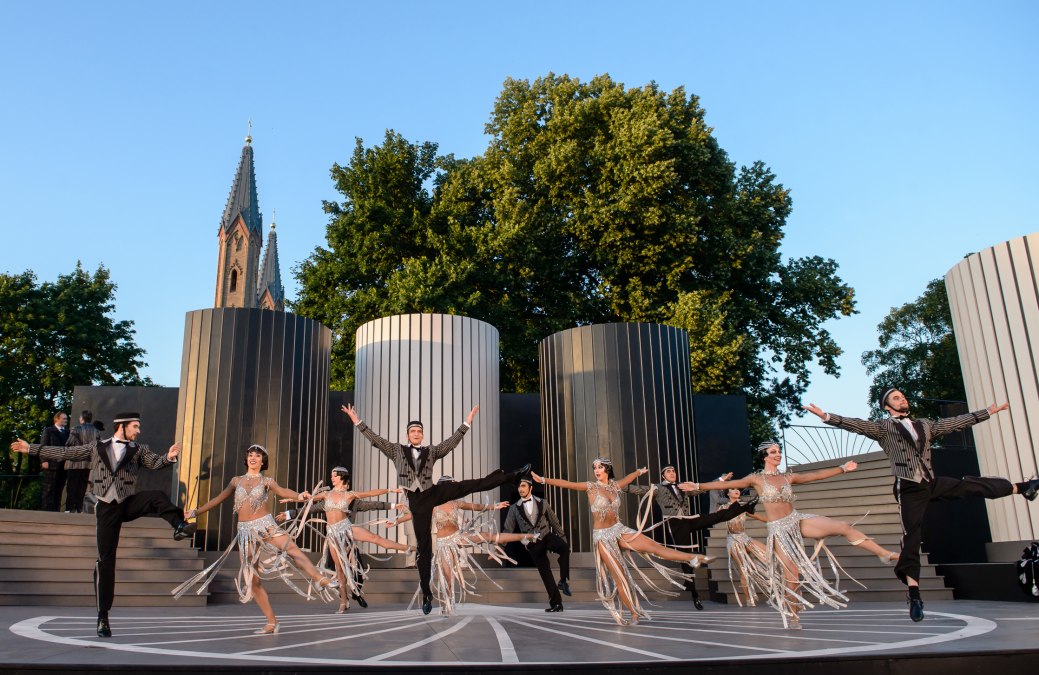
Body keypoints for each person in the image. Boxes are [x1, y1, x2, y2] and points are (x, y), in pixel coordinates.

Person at [805, 389, 1039, 622]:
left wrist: (987, 412)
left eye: (902, 396)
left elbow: (954, 423)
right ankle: (914, 594)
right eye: (896, 398)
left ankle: (1022, 487)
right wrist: (826, 416)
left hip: (930, 482)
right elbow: (855, 425)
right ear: (887, 406)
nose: (902, 399)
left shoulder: (924, 425)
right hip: (908, 487)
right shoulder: (883, 428)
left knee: (968, 486)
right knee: (912, 536)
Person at [11, 412, 196, 638]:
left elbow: (155, 463)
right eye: (135, 426)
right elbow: (65, 452)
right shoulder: (96, 447)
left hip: (126, 502)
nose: (138, 431)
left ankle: (178, 525)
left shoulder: (139, 449)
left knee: (156, 496)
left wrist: (169, 456)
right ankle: (103, 617)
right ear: (122, 426)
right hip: (106, 508)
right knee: (106, 562)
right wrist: (32, 448)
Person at [683, 441, 899, 629]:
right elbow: (729, 484)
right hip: (779, 530)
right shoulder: (756, 479)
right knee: (792, 577)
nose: (778, 455)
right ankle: (794, 615)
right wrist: (698, 486)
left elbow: (815, 475)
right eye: (773, 452)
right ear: (764, 456)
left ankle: (883, 554)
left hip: (797, 519)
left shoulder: (788, 477)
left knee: (843, 526)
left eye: (779, 451)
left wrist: (842, 468)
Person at [342, 403, 531, 614]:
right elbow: (376, 439)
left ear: (422, 435)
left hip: (432, 492)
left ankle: (512, 476)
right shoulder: (396, 450)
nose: (416, 433)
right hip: (417, 501)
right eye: (413, 431)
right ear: (408, 435)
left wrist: (466, 423)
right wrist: (357, 422)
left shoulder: (431, 451)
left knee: (469, 485)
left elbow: (450, 444)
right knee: (424, 549)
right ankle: (427, 594)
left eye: (419, 431)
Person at [172, 444, 336, 634]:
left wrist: (300, 496)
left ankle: (319, 578)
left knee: (291, 549)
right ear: (247, 459)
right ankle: (271, 622)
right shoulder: (236, 481)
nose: (253, 458)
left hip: (265, 526)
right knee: (252, 579)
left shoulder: (267, 481)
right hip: (245, 533)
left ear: (263, 461)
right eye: (250, 455)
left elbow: (283, 491)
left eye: (257, 456)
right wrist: (194, 512)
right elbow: (218, 499)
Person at [531, 458, 710, 626]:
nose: (596, 470)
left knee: (653, 546)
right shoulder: (590, 487)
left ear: (607, 469)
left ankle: (692, 558)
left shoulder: (616, 486)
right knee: (621, 576)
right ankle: (633, 612)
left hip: (619, 529)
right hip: (602, 537)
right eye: (594, 467)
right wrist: (544, 480)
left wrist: (639, 472)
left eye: (600, 466)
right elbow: (567, 484)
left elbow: (628, 478)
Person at [390, 477, 537, 615]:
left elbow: (476, 506)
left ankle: (527, 536)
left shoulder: (456, 503)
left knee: (487, 536)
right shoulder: (432, 505)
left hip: (458, 537)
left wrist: (494, 506)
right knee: (447, 577)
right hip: (444, 544)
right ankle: (447, 604)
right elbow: (413, 514)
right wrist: (396, 521)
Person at [625, 466, 758, 610]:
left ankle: (744, 507)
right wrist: (618, 485)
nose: (672, 473)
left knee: (714, 517)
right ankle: (695, 594)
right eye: (668, 472)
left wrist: (720, 480)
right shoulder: (657, 488)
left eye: (674, 471)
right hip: (675, 522)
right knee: (687, 557)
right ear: (663, 475)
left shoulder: (683, 487)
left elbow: (701, 489)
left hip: (689, 520)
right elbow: (638, 490)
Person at [282, 466, 413, 613]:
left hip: (346, 528)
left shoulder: (350, 495)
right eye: (331, 475)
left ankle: (407, 548)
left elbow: (370, 495)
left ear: (342, 478)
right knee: (339, 569)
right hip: (332, 534)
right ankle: (344, 602)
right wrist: (291, 504)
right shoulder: (326, 494)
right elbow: (308, 502)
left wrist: (390, 492)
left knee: (375, 538)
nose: (332, 478)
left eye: (335, 475)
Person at [502, 477, 571, 612]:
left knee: (564, 548)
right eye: (519, 487)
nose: (520, 489)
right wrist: (500, 549)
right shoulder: (514, 508)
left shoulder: (542, 503)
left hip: (546, 536)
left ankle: (562, 581)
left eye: (523, 486)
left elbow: (554, 522)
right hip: (532, 543)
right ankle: (556, 604)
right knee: (545, 573)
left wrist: (563, 538)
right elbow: (507, 529)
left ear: (530, 488)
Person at [720, 486, 769, 607]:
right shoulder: (723, 508)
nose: (737, 490)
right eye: (732, 489)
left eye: (738, 489)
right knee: (744, 570)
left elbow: (758, 517)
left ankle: (777, 588)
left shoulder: (743, 507)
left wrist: (774, 521)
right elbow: (712, 519)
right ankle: (749, 599)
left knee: (768, 554)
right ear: (728, 493)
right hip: (733, 540)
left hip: (745, 537)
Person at [64, 410, 98, 513]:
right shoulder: (95, 431)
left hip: (74, 462)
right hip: (87, 463)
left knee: (71, 487)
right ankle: (79, 509)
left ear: (81, 418)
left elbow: (69, 443)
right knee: (82, 487)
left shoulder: (76, 429)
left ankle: (69, 509)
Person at [38, 411, 69, 511]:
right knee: (49, 490)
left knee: (59, 490)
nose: (66, 420)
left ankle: (56, 512)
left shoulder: (67, 432)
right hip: (51, 465)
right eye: (64, 418)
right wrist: (44, 460)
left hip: (63, 466)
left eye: (66, 418)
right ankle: (46, 513)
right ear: (57, 419)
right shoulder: (49, 430)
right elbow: (43, 446)